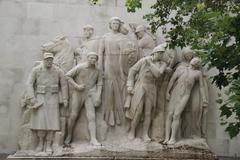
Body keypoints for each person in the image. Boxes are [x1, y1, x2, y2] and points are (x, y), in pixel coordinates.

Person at [26, 52, 68, 154]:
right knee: (41, 122)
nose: (49, 61)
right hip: (41, 98)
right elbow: (29, 83)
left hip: (53, 98)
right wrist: (32, 97)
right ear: (44, 60)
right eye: (47, 60)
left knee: (52, 123)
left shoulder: (58, 71)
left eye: (51, 60)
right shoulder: (36, 70)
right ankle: (40, 143)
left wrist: (65, 98)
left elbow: (64, 85)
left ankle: (49, 145)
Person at [125, 44, 167, 142]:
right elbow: (132, 71)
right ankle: (132, 131)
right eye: (160, 53)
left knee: (148, 112)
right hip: (140, 86)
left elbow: (158, 74)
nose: (162, 55)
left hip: (152, 87)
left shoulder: (163, 64)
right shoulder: (144, 60)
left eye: (162, 53)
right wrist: (130, 85)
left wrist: (151, 64)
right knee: (138, 110)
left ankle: (145, 134)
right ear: (155, 53)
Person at [163, 57, 208, 145]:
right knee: (169, 114)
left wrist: (204, 99)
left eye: (198, 61)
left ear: (198, 64)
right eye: (194, 59)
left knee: (176, 115)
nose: (195, 60)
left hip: (185, 95)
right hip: (175, 92)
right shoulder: (181, 68)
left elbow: (202, 86)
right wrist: (167, 92)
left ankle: (172, 138)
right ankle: (166, 137)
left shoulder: (198, 73)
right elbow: (172, 80)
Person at [64, 52, 103, 146]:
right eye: (91, 58)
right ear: (87, 58)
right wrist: (76, 86)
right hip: (78, 93)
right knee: (73, 115)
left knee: (92, 117)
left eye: (95, 58)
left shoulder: (98, 70)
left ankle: (93, 139)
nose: (93, 60)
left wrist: (98, 95)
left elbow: (100, 83)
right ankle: (69, 136)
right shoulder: (80, 67)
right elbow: (67, 76)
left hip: (89, 94)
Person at [99, 17, 129, 126]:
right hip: (108, 64)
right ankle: (110, 114)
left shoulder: (123, 37)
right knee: (109, 89)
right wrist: (100, 68)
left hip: (119, 66)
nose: (115, 25)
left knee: (120, 91)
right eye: (113, 23)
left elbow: (127, 54)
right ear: (110, 24)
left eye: (117, 23)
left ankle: (118, 114)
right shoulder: (105, 37)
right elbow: (100, 53)